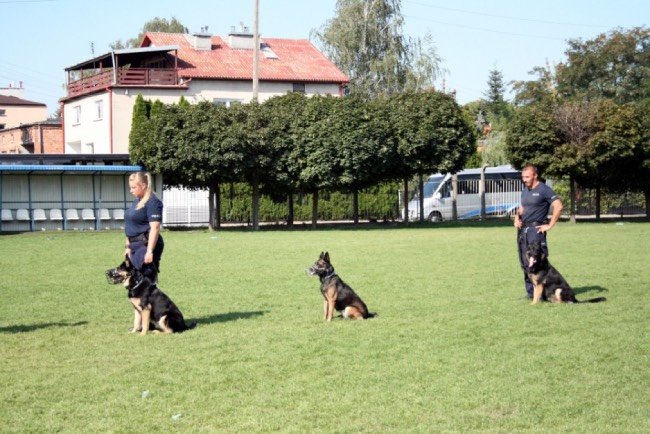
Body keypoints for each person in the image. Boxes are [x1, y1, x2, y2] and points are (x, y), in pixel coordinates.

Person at [514, 164, 563, 299]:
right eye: (523, 177)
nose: (524, 179)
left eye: (527, 177)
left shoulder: (544, 190)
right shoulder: (525, 190)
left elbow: (558, 206)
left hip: (536, 230)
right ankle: (530, 293)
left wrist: (550, 225)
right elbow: (522, 209)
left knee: (538, 262)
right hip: (523, 231)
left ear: (535, 175)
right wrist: (517, 218)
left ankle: (543, 293)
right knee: (525, 262)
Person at [124, 171, 164, 282]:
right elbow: (130, 226)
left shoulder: (153, 202)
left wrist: (149, 251)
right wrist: (128, 247)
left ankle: (151, 299)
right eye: (130, 187)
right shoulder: (137, 201)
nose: (131, 190)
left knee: (144, 281)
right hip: (134, 245)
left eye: (133, 187)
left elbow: (155, 227)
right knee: (135, 280)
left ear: (143, 185)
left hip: (145, 244)